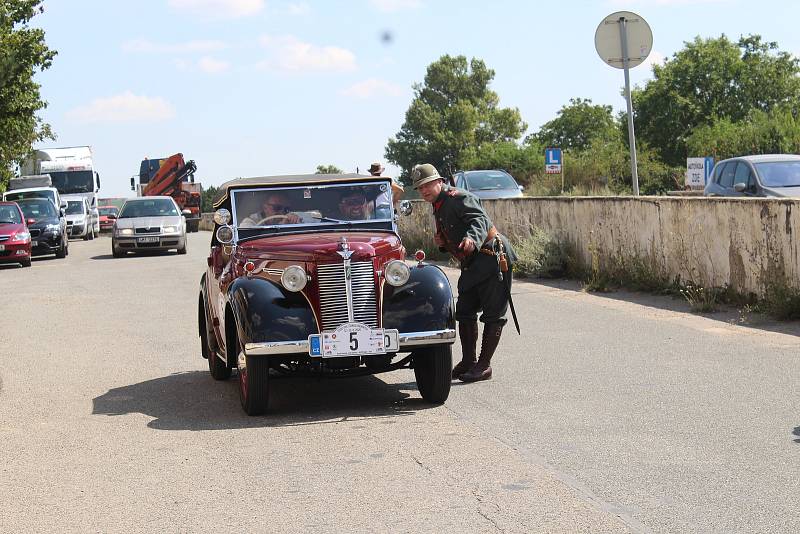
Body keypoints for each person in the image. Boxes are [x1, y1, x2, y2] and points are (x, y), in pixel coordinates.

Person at [412, 163, 517, 383]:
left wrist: (471, 238)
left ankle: (483, 365)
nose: (424, 191)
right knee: (464, 310)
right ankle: (469, 361)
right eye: (420, 188)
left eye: (428, 185)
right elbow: (452, 229)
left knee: (493, 314)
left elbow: (479, 220)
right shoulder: (439, 204)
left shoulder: (457, 197)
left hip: (492, 257)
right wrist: (443, 243)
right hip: (472, 262)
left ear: (439, 181)